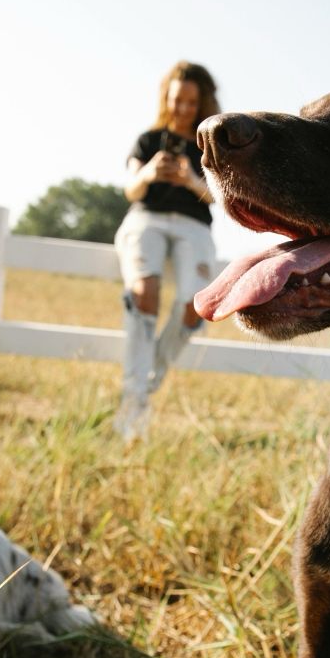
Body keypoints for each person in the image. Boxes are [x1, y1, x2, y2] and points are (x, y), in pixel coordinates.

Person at [113, 61, 219, 440]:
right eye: (178, 100)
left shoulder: (210, 144)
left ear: (202, 101)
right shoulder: (147, 140)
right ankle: (134, 398)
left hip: (194, 224)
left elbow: (220, 197)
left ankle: (142, 387)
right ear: (167, 99)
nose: (184, 108)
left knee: (196, 305)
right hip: (148, 217)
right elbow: (131, 189)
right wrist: (149, 173)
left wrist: (191, 178)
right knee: (145, 292)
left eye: (192, 101)